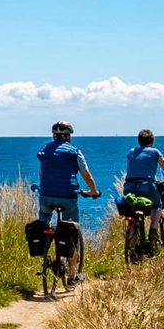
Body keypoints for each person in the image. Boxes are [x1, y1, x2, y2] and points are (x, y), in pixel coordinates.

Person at [37, 120, 100, 281]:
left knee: (44, 220)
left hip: (45, 196)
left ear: (53, 135)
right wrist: (93, 191)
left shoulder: (44, 150)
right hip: (67, 197)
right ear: (68, 136)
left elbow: (41, 173)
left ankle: (44, 245)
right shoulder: (74, 151)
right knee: (72, 231)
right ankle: (73, 275)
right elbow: (86, 175)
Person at [123, 129, 164, 249]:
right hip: (146, 185)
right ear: (152, 142)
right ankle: (153, 230)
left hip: (129, 186)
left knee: (132, 215)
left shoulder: (131, 152)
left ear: (139, 141)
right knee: (157, 205)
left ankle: (132, 249)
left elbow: (129, 169)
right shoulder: (155, 152)